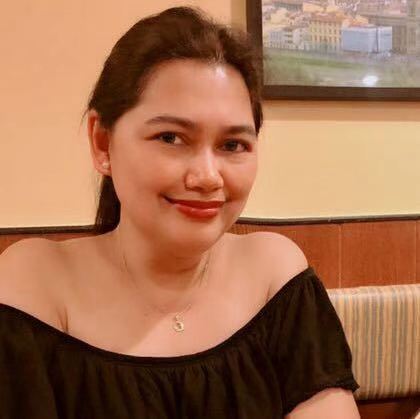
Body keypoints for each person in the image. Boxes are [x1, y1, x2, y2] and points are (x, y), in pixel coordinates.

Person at [0, 6, 360, 419]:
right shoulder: (36, 286)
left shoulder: (274, 277)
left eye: (232, 145)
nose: (207, 177)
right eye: (170, 137)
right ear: (102, 143)